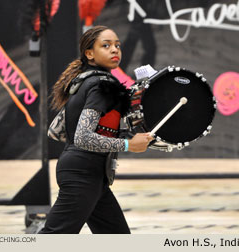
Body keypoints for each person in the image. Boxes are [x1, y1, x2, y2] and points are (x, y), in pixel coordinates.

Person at [39, 25, 153, 234]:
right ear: (89, 53)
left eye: (117, 45)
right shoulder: (102, 85)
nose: (115, 50)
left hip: (91, 175)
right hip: (82, 174)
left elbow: (56, 131)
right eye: (106, 45)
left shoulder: (84, 81)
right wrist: (127, 144)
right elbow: (82, 138)